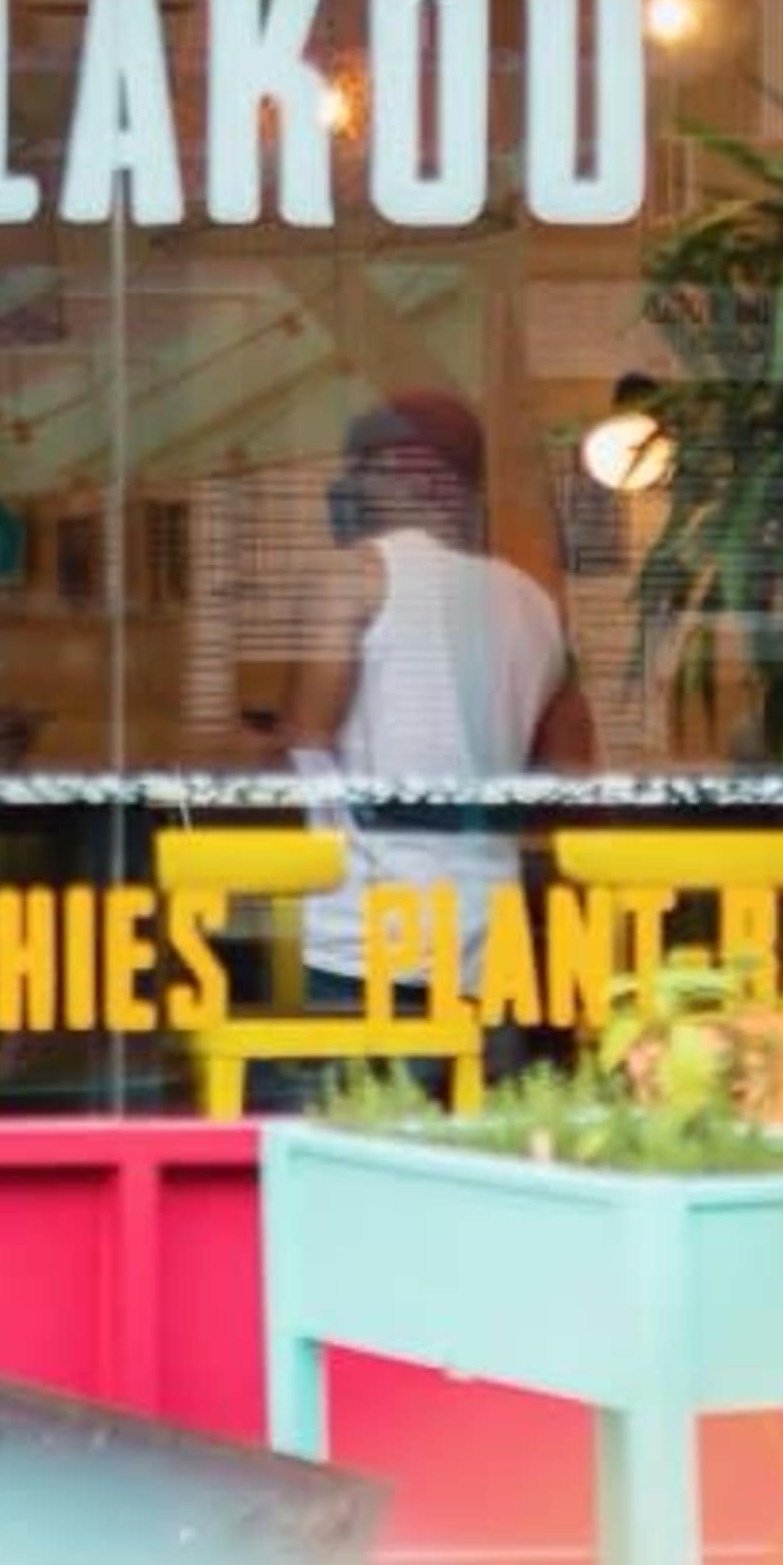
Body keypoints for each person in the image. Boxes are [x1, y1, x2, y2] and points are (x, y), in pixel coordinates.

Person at [259, 390, 590, 1066]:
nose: (346, 486)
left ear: (417, 472)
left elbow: (303, 749)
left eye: (362, 468)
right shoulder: (534, 604)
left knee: (348, 1147)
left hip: (365, 935)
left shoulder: (356, 578)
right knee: (472, 1154)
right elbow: (571, 779)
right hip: (489, 941)